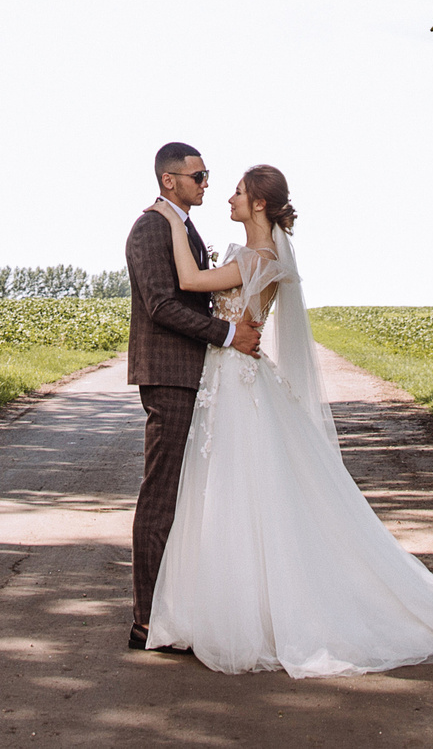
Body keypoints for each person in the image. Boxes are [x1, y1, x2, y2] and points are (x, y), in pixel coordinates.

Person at [142, 164, 433, 677]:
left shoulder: (256, 257)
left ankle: (250, 616)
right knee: (234, 491)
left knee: (240, 491)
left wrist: (171, 222)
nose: (229, 197)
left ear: (259, 204)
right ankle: (232, 607)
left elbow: (189, 281)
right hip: (231, 377)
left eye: (238, 192)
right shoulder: (258, 255)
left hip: (235, 381)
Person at [125, 143, 261, 651]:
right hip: (170, 374)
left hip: (197, 375)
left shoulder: (182, 226)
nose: (206, 184)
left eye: (208, 176)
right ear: (169, 180)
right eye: (199, 176)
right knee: (161, 491)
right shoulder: (151, 228)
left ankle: (178, 608)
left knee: (189, 493)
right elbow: (161, 303)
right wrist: (227, 337)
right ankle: (145, 619)